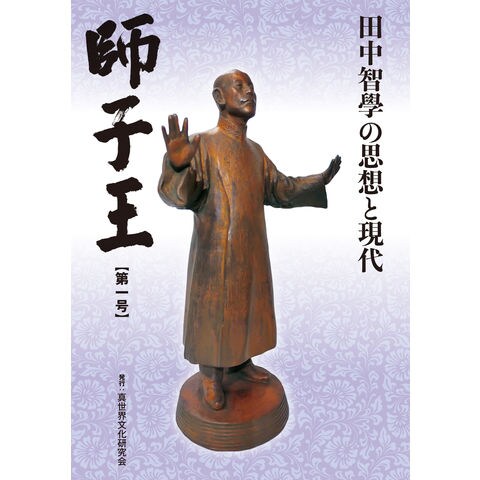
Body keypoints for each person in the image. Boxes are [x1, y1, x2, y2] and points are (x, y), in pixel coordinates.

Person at [159, 69, 341, 410]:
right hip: (215, 253)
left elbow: (281, 189)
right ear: (219, 97)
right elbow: (179, 197)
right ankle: (211, 376)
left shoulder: (255, 152)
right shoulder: (201, 144)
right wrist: (179, 166)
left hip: (251, 247)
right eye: (239, 86)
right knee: (215, 311)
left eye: (251, 86)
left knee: (248, 303)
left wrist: (319, 180)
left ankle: (240, 362)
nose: (249, 92)